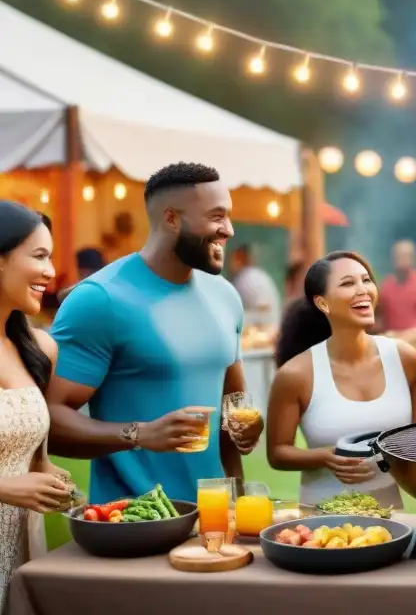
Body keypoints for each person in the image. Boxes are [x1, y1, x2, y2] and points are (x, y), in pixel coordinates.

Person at [46, 163, 264, 503]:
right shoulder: (100, 299)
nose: (230, 230)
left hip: (217, 519)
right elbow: (51, 421)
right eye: (217, 216)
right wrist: (140, 434)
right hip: (132, 523)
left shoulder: (225, 296)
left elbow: (231, 409)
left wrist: (245, 448)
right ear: (172, 219)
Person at [266, 251, 416, 508]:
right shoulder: (295, 375)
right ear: (322, 303)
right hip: (322, 523)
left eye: (366, 280)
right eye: (348, 283)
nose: (363, 290)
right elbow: (277, 453)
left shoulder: (404, 358)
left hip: (394, 520)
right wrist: (325, 456)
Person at [0, 203, 76, 610]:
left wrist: (54, 480)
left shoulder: (41, 349)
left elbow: (35, 461)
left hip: (20, 546)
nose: (51, 271)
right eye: (40, 256)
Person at [231, 244, 282, 329]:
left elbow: (264, 308)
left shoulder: (248, 277)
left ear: (239, 257)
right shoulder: (257, 275)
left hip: (265, 332)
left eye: (233, 259)